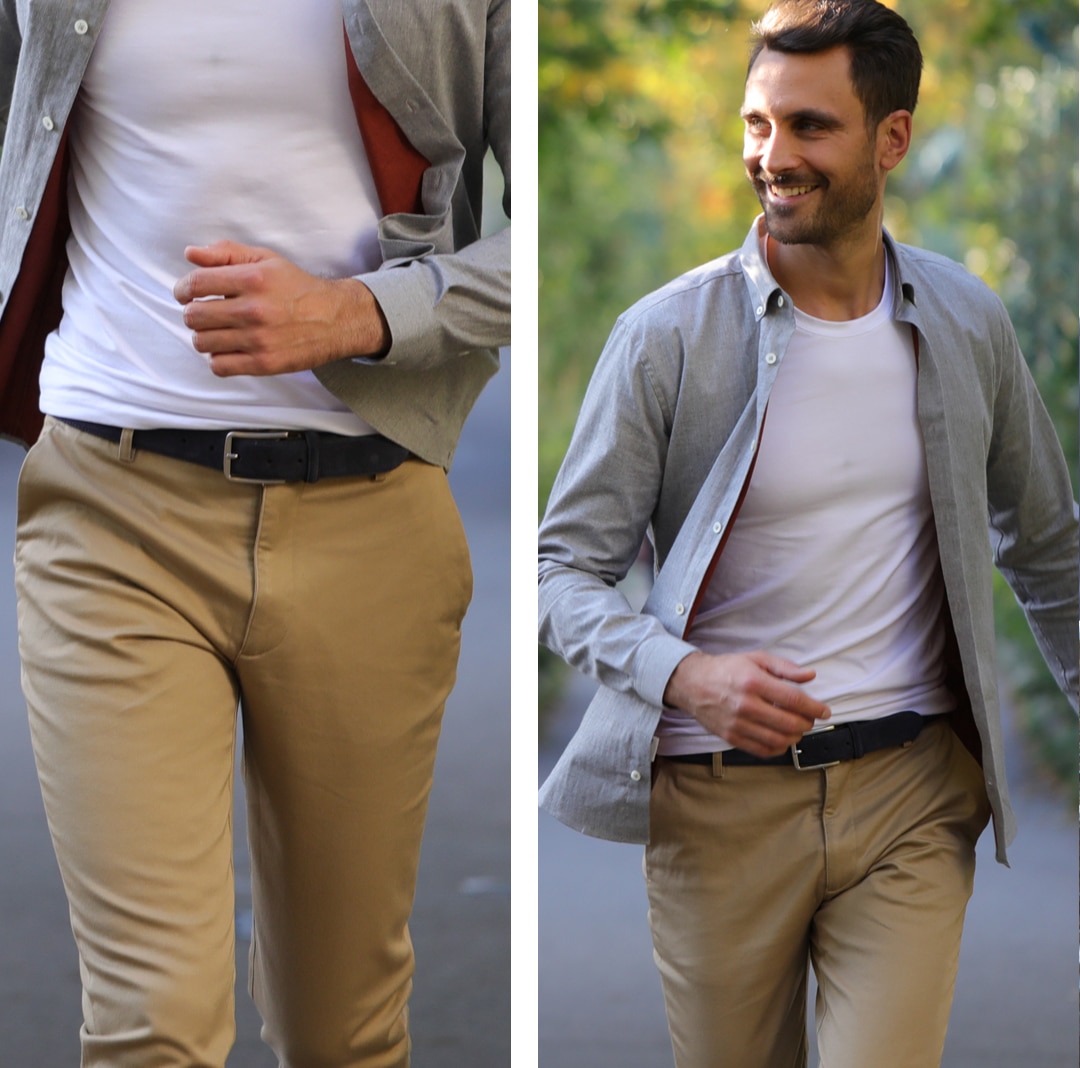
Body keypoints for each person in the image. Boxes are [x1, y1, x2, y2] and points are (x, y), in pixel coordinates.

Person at [537, 1, 1076, 1066]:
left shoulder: (968, 324)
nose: (771, 157)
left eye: (808, 128)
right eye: (756, 125)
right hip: (717, 806)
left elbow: (1051, 549)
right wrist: (687, 677)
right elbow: (564, 572)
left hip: (910, 796)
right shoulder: (665, 339)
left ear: (893, 139)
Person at [0, 0, 509, 1064]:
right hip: (111, 510)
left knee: (345, 1029)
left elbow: (545, 241)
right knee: (153, 1025)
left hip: (370, 517)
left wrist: (363, 313)